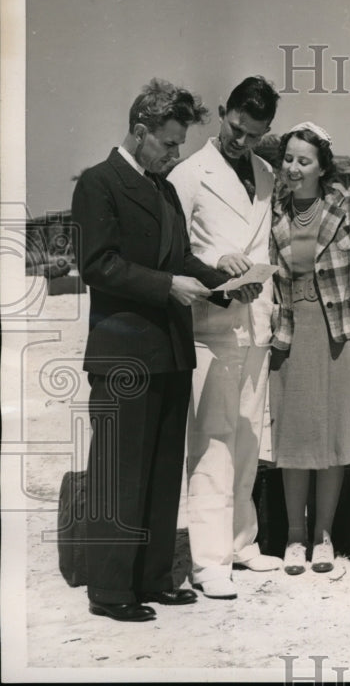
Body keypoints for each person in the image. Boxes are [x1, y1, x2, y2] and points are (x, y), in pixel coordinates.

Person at [71, 78, 228, 621]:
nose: (175, 153)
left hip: (170, 349)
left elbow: (180, 257)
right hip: (123, 353)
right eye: (167, 143)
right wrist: (167, 288)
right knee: (120, 471)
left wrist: (224, 281)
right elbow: (99, 265)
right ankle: (111, 590)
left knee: (162, 469)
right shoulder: (99, 183)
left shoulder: (162, 189)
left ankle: (154, 576)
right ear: (140, 133)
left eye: (180, 143)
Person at [168, 76, 282, 599]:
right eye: (237, 129)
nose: (243, 142)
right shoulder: (188, 174)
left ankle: (242, 540)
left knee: (249, 438)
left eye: (255, 135)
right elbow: (175, 250)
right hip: (212, 328)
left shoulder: (266, 173)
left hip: (255, 320)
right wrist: (218, 267)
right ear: (222, 113)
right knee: (213, 440)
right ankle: (208, 559)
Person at [269, 122, 350, 576]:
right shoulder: (271, 209)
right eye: (288, 159)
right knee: (294, 437)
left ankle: (324, 535)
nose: (293, 168)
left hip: (339, 332)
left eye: (303, 161)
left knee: (334, 437)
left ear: (322, 166)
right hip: (289, 334)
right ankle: (296, 536)